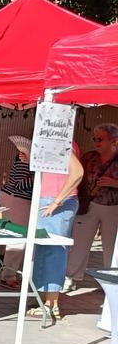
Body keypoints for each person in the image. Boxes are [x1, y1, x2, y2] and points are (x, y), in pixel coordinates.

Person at [32, 141, 82, 321]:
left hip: (57, 201)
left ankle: (51, 304)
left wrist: (56, 201)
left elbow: (78, 172)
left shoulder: (62, 141)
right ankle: (46, 301)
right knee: (45, 251)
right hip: (48, 199)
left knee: (54, 252)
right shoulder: (54, 141)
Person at [66, 123, 118, 292]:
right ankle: (71, 277)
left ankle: (111, 281)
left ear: (114, 141)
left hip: (113, 207)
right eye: (94, 138)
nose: (96, 142)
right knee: (79, 243)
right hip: (88, 204)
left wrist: (114, 183)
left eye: (100, 139)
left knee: (111, 246)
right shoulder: (89, 157)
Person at [0, 150, 36, 288]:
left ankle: (9, 272)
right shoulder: (25, 156)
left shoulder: (26, 155)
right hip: (18, 200)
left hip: (13, 197)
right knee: (18, 239)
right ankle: (8, 276)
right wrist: (36, 174)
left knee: (16, 238)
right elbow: (20, 184)